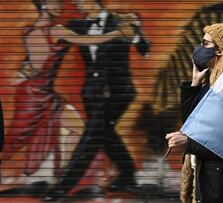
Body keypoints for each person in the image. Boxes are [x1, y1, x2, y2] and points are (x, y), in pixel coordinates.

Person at [0, 0, 134, 195]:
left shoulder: (33, 30)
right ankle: (62, 182)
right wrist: (118, 33)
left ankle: (63, 180)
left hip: (44, 93)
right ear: (44, 5)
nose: (60, 6)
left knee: (82, 129)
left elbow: (33, 64)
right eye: (55, 3)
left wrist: (27, 67)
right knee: (15, 140)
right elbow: (88, 41)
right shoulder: (56, 31)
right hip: (33, 96)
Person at [43, 0, 150, 201]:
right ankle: (128, 174)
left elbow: (145, 50)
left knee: (92, 136)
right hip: (92, 92)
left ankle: (62, 187)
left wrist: (134, 35)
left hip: (119, 92)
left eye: (81, 1)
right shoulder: (77, 25)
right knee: (104, 132)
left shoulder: (121, 21)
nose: (77, 5)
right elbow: (58, 40)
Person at [166, 23, 223, 203]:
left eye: (205, 43)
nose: (199, 48)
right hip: (211, 181)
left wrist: (188, 141)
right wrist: (194, 84)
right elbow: (190, 124)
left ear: (219, 51)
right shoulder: (212, 83)